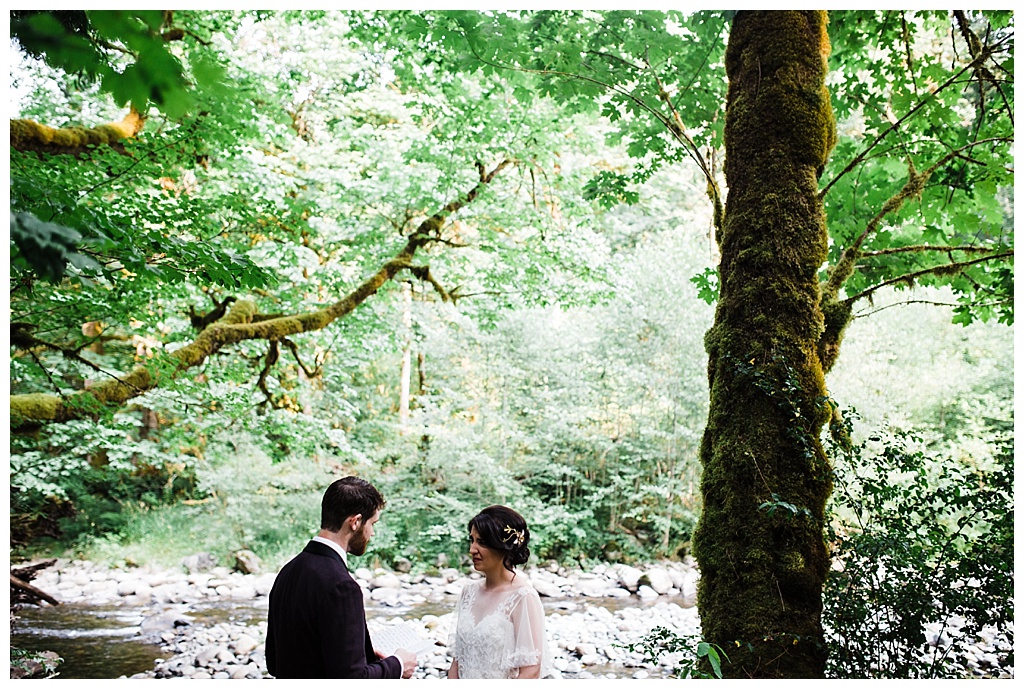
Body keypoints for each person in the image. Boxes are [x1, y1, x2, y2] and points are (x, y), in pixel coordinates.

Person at [265, 476, 417, 679]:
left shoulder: (287, 572)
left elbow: (275, 662)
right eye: (372, 523)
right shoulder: (342, 586)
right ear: (355, 522)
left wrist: (365, 656)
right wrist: (397, 665)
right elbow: (351, 679)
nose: (372, 533)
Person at [447, 505, 549, 679]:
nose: (472, 549)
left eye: (482, 542)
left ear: (503, 546)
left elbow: (531, 671)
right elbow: (458, 661)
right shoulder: (468, 592)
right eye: (472, 540)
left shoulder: (523, 597)